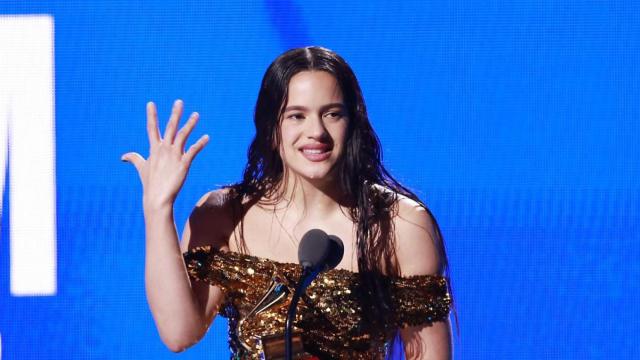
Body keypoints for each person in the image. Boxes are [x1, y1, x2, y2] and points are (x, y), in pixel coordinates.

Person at [122, 46, 453, 359]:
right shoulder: (224, 214)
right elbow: (179, 332)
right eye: (296, 116)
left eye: (332, 114)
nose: (316, 132)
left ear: (353, 123)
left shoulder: (401, 225)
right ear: (271, 128)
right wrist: (158, 209)